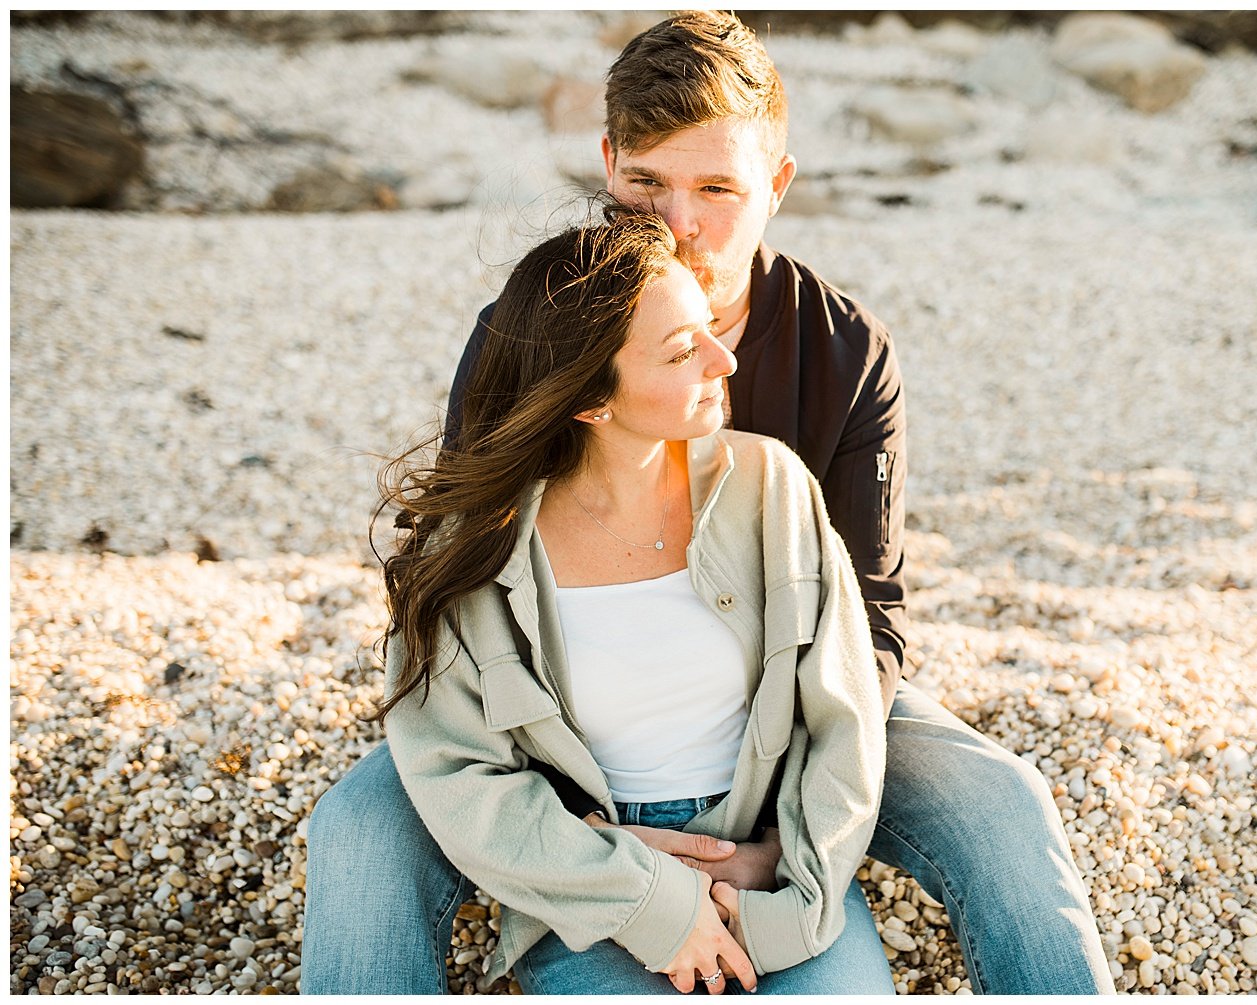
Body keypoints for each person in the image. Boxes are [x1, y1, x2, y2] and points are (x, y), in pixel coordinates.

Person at [303, 10, 1114, 995]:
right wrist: (589, 833)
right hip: (570, 726)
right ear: (607, 164)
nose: (675, 223)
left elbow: (871, 611)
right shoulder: (540, 337)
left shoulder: (843, 351)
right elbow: (463, 576)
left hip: (802, 689)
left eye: (716, 189)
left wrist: (777, 827)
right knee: (355, 825)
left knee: (1000, 799)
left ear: (775, 184)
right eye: (646, 183)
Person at [363, 208, 894, 995]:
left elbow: (842, 720)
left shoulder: (772, 485)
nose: (725, 360)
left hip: (778, 870)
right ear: (590, 401)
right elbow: (463, 779)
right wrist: (649, 900)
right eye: (684, 351)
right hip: (587, 888)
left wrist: (789, 894)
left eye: (710, 327)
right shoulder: (473, 551)